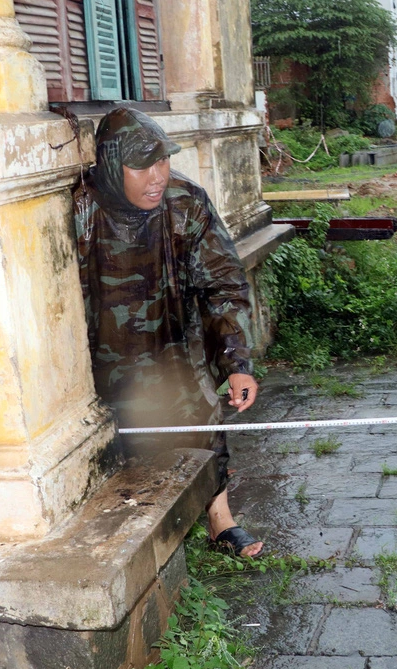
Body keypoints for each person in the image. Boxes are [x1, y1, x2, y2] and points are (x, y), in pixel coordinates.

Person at [74, 107, 263, 558]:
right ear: (110, 164)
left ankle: (221, 520)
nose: (157, 175)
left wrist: (237, 363)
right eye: (142, 164)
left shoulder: (185, 201)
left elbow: (223, 284)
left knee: (201, 411)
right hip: (104, 353)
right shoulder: (83, 208)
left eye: (163, 161)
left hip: (176, 339)